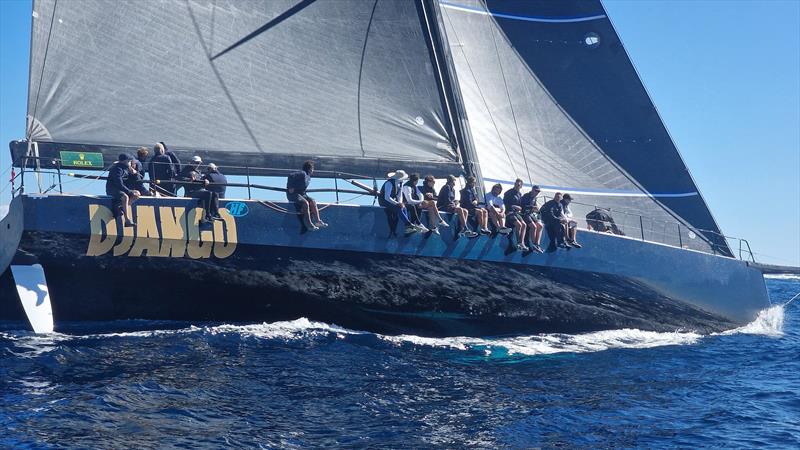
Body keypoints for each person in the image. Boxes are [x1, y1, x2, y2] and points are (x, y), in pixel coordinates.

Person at [286, 160, 326, 231]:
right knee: (305, 203)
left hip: (302, 194)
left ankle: (318, 221)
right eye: (313, 169)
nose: (313, 170)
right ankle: (309, 224)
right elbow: (291, 175)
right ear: (310, 169)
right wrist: (290, 187)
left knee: (312, 201)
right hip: (293, 194)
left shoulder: (308, 177)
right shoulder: (302, 173)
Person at [379, 170, 418, 236]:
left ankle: (408, 227)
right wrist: (397, 203)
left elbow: (399, 195)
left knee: (403, 208)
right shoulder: (389, 183)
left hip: (392, 200)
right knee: (398, 209)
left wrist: (400, 203)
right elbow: (387, 197)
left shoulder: (401, 183)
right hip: (384, 201)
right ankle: (409, 225)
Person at [180, 156, 218, 223]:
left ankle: (215, 213)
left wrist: (205, 181)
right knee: (208, 193)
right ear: (192, 162)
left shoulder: (198, 172)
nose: (197, 165)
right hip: (190, 192)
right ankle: (207, 214)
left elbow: (200, 181)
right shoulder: (186, 170)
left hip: (199, 191)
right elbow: (179, 178)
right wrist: (190, 180)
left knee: (215, 194)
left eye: (199, 163)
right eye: (196, 163)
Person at [106, 154, 140, 227]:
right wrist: (129, 192)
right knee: (125, 197)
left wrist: (135, 173)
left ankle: (122, 207)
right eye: (129, 161)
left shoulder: (127, 168)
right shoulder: (117, 169)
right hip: (112, 189)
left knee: (137, 194)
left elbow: (137, 180)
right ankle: (127, 220)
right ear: (125, 161)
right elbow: (119, 184)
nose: (130, 162)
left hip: (121, 189)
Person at [502, 178, 529, 251]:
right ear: (514, 184)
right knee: (519, 225)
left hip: (516, 213)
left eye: (519, 185)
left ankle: (522, 243)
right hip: (509, 213)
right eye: (516, 184)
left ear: (521, 186)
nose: (517, 186)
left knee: (524, 225)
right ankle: (518, 243)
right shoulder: (508, 193)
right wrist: (513, 206)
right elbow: (504, 204)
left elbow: (521, 205)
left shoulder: (520, 194)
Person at [520, 185, 544, 253]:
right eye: (536, 191)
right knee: (534, 226)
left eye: (538, 191)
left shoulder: (535, 198)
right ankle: (533, 244)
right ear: (532, 190)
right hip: (524, 214)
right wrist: (532, 207)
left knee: (540, 225)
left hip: (530, 214)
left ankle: (537, 244)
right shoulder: (526, 196)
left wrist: (537, 211)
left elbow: (535, 207)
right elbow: (523, 206)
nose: (537, 192)